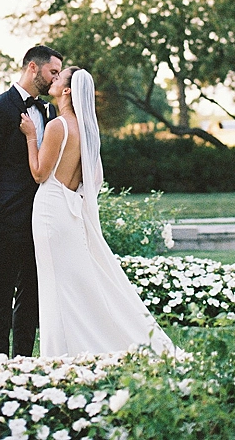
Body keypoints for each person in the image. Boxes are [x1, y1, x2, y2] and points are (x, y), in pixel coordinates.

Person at [20, 66, 184, 359]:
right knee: (64, 282)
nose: (53, 80)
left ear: (68, 91)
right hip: (69, 210)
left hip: (50, 210)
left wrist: (31, 136)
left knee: (54, 283)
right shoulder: (86, 131)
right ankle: (69, 348)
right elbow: (93, 181)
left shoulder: (58, 126)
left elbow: (38, 173)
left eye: (59, 78)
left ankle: (60, 352)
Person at [0, 45, 63, 357]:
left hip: (40, 217)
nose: (56, 79)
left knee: (32, 293)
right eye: (53, 72)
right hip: (6, 218)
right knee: (1, 292)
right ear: (33, 69)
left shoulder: (50, 113)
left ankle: (23, 360)